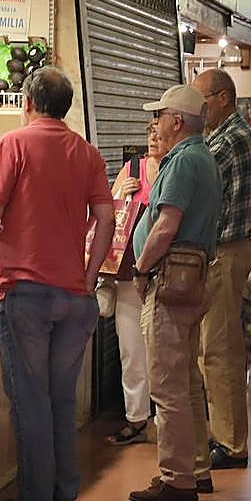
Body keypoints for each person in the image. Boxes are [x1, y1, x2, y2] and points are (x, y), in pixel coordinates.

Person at [0, 67, 116, 501]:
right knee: (60, 399)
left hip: (25, 293)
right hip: (74, 297)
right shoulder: (87, 153)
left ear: (28, 103)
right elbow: (106, 219)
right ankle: (63, 493)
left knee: (31, 400)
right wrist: (90, 274)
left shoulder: (13, 144)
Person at [128, 85, 222, 501]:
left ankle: (176, 477)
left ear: (177, 121)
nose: (155, 123)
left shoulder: (183, 162)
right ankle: (196, 468)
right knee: (186, 379)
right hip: (193, 278)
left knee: (167, 385)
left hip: (170, 281)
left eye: (160, 115)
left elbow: (166, 225)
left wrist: (142, 268)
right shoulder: (204, 157)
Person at [192, 68, 251, 470]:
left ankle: (231, 442)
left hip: (224, 253)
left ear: (223, 98)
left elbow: (195, 179)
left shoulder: (228, 140)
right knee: (216, 347)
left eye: (203, 99)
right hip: (229, 251)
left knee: (218, 350)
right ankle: (225, 434)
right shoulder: (231, 135)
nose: (199, 108)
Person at [103, 124, 162, 447]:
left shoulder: (176, 169)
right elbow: (111, 217)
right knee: (130, 348)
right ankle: (136, 417)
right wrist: (119, 194)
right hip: (129, 272)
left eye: (158, 132)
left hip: (163, 273)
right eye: (149, 132)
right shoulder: (132, 169)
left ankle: (164, 415)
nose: (153, 138)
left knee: (164, 348)